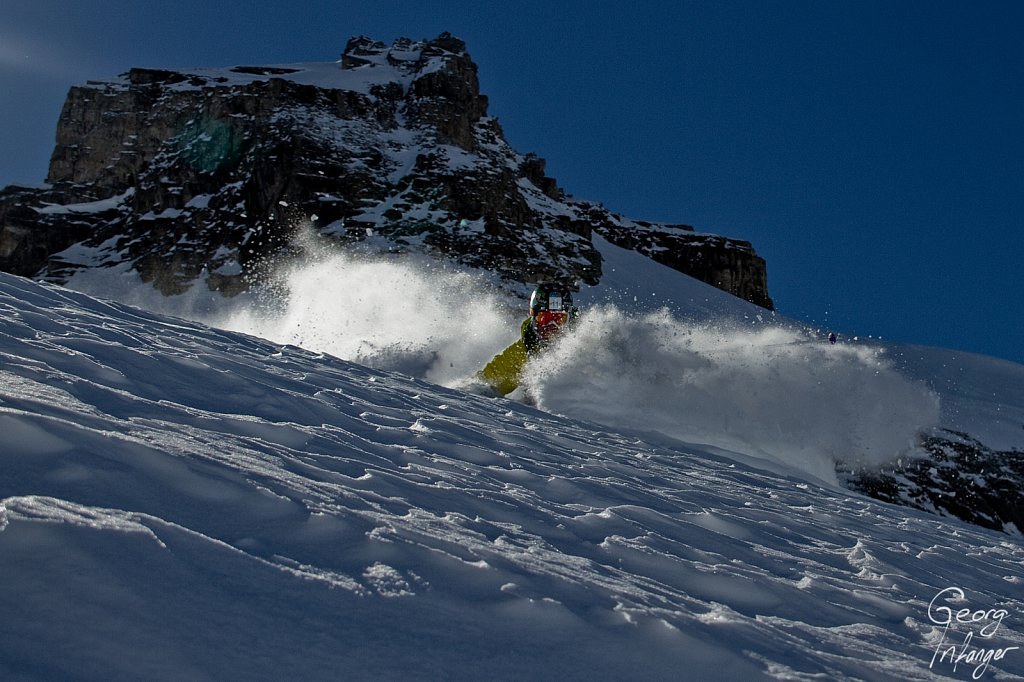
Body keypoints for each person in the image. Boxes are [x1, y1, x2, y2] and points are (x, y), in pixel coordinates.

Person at [522, 282, 579, 355]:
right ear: (534, 319)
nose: (552, 326)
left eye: (559, 320)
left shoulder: (583, 348)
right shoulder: (516, 355)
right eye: (545, 319)